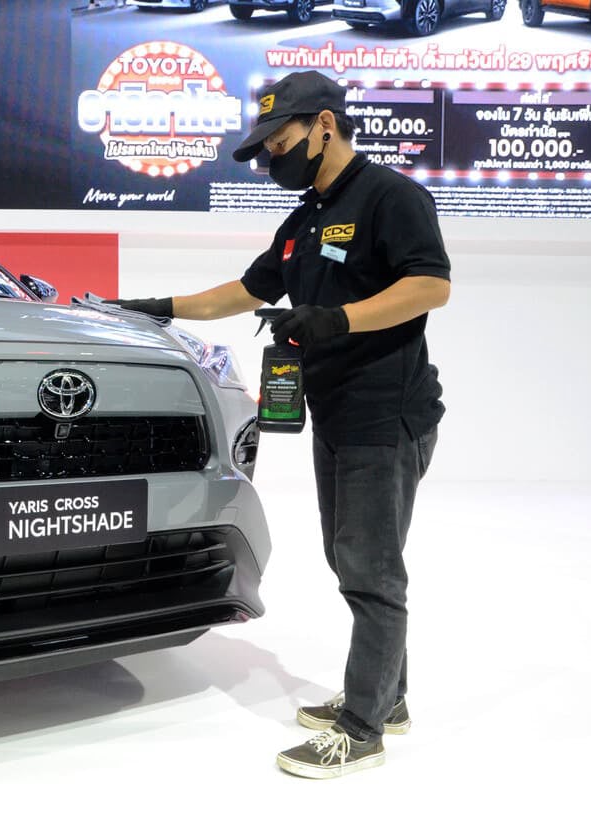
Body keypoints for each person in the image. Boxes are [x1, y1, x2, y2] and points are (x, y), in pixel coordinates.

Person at [110, 70, 450, 779]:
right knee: (351, 558)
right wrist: (156, 307)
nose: (271, 157)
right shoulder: (304, 219)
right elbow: (245, 290)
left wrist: (336, 318)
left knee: (369, 568)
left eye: (279, 141)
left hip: (386, 414)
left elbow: (430, 285)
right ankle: (388, 698)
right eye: (264, 147)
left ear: (324, 124)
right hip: (336, 412)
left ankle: (361, 729)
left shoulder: (391, 196)